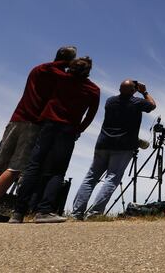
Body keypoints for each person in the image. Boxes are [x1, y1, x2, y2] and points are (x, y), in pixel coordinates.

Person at [0, 46, 77, 223]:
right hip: (34, 123)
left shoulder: (37, 69)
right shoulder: (62, 77)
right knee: (15, 167)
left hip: (16, 119)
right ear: (71, 60)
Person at [11, 56, 100, 223]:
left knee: (34, 166)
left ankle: (18, 212)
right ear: (88, 72)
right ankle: (44, 210)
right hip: (69, 129)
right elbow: (91, 114)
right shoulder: (93, 89)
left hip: (48, 125)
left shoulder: (60, 77)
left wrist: (67, 61)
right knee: (58, 170)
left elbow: (46, 67)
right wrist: (79, 129)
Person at [72, 80, 157, 220]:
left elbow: (125, 98)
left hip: (103, 143)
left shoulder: (110, 101)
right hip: (123, 146)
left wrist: (132, 90)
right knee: (111, 179)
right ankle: (94, 214)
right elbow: (152, 105)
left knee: (91, 177)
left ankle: (77, 213)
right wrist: (144, 92)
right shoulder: (136, 102)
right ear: (133, 91)